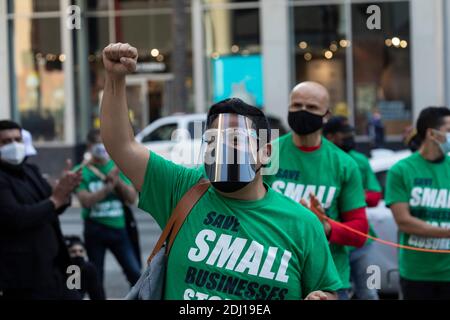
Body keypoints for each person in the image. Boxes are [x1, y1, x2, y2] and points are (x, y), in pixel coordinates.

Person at [99, 42, 343, 300]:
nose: (223, 148)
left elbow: (326, 289)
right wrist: (115, 78)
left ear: (266, 152)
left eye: (237, 139)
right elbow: (121, 145)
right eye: (213, 140)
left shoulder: (302, 225)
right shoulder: (184, 189)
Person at [264, 82, 369, 300]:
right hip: (272, 274)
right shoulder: (268, 153)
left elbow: (360, 232)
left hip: (327, 282)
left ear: (326, 115)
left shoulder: (344, 164)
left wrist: (327, 227)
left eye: (311, 107)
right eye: (296, 105)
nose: (302, 112)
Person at [0, 120, 82, 300]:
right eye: (6, 142)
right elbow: (16, 217)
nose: (14, 145)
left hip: (57, 267)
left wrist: (64, 190)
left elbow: (54, 206)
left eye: (17, 140)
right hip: (23, 277)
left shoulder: (31, 171)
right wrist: (55, 200)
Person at [385, 106, 450, 300]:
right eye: (448, 130)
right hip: (416, 273)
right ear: (432, 133)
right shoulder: (401, 170)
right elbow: (404, 221)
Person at [323, 116, 382, 300]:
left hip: (364, 244)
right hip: (333, 247)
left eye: (351, 133)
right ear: (331, 136)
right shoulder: (323, 159)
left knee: (370, 292)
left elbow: (375, 196)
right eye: (345, 134)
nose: (350, 137)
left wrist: (351, 195)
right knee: (339, 293)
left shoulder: (360, 160)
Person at [74, 129, 141, 291]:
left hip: (119, 229)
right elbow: (85, 201)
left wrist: (117, 182)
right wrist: (108, 188)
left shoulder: (117, 168)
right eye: (98, 143)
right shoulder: (81, 171)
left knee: (135, 272)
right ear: (90, 146)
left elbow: (132, 198)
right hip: (95, 229)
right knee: (96, 276)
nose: (102, 147)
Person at [65, 236, 105, 300]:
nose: (78, 254)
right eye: (73, 252)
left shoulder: (89, 268)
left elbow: (97, 293)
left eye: (81, 251)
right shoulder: (61, 268)